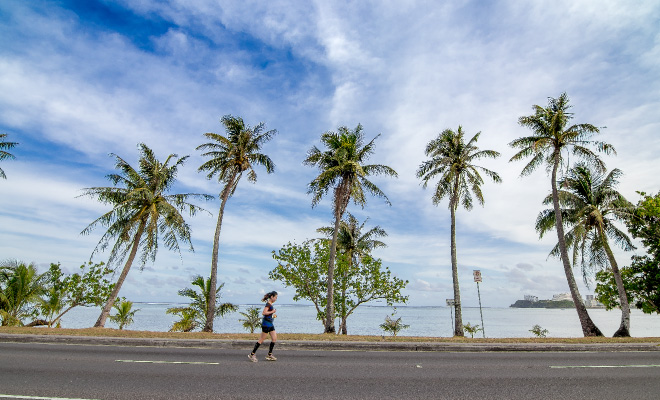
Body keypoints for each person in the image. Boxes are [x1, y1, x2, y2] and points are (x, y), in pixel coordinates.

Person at [248, 291, 278, 362]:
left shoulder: (270, 304)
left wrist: (272, 315)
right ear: (272, 297)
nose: (276, 298)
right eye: (275, 297)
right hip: (266, 324)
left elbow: (268, 314)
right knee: (261, 340)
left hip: (270, 324)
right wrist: (272, 312)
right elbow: (264, 313)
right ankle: (252, 354)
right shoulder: (268, 304)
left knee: (274, 338)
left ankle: (269, 355)